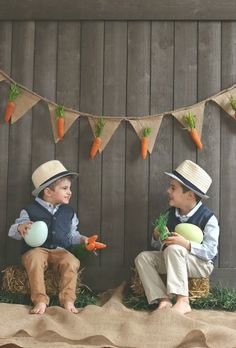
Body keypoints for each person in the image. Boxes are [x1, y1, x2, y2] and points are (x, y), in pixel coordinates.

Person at [135, 160, 219, 315]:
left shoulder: (208, 218)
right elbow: (160, 247)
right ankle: (163, 299)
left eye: (173, 188)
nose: (168, 190)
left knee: (174, 249)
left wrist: (186, 244)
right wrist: (157, 236)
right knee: (143, 258)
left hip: (199, 265)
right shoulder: (169, 214)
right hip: (173, 259)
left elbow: (211, 252)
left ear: (190, 195)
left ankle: (182, 300)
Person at [8, 160, 88, 315]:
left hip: (60, 251)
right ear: (48, 192)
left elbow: (72, 235)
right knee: (35, 259)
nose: (69, 192)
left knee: (71, 262)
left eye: (69, 188)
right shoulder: (29, 210)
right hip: (37, 250)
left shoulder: (69, 212)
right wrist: (20, 227)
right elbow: (13, 231)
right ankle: (40, 300)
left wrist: (83, 240)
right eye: (64, 188)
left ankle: (68, 299)